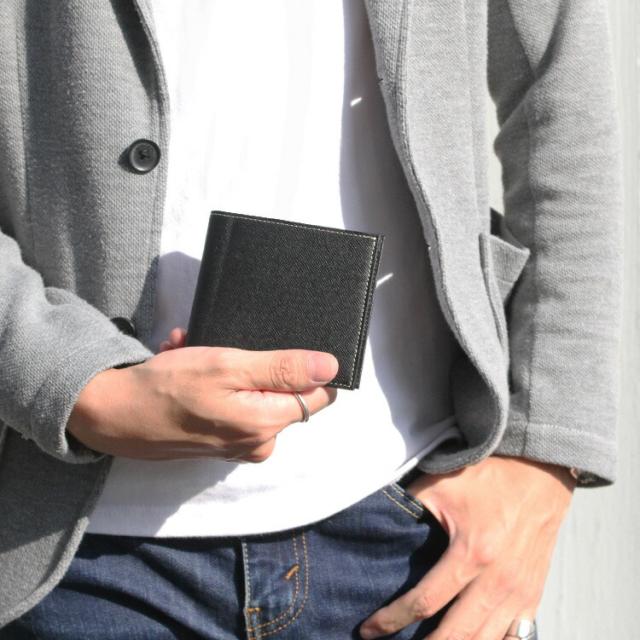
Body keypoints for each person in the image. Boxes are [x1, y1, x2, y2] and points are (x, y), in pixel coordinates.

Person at [0, 0, 622, 638]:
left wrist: (544, 454)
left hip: (411, 514)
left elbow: (560, 78)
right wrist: (59, 377)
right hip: (61, 545)